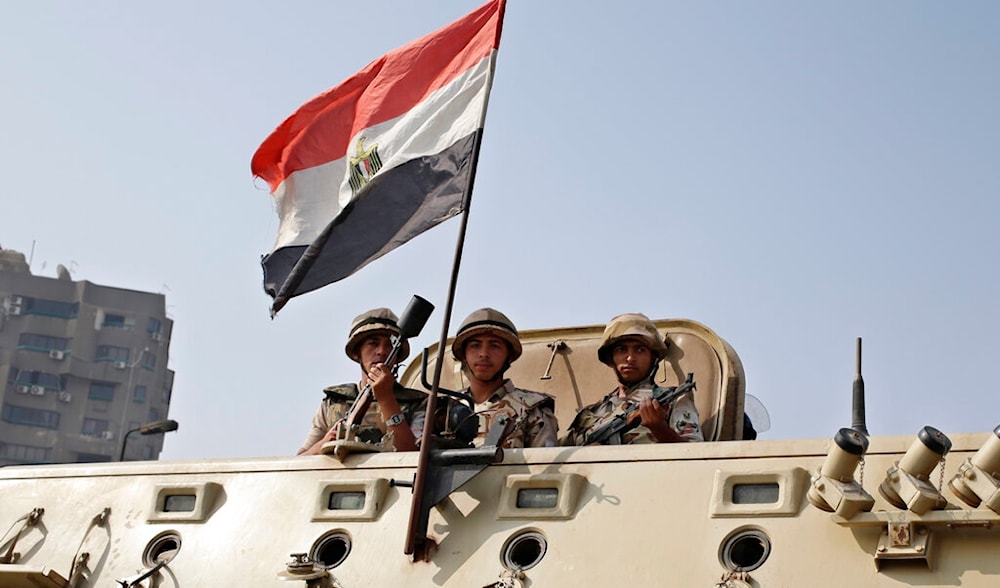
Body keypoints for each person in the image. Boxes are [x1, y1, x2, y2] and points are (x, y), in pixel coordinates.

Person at [298, 308, 426, 455]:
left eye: (390, 345)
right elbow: (298, 462)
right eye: (373, 343)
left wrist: (386, 399)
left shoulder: (417, 403)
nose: (382, 351)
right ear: (357, 353)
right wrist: (324, 443)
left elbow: (411, 455)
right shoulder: (333, 402)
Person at [564, 313, 703, 445]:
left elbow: (696, 453)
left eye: (640, 350)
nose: (630, 358)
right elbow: (552, 456)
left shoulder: (672, 400)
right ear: (610, 358)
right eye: (621, 350)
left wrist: (660, 429)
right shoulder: (588, 415)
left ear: (653, 358)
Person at [451, 308, 559, 448]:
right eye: (475, 345)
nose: (484, 354)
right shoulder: (444, 409)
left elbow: (544, 465)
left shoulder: (533, 410)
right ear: (464, 354)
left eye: (494, 346)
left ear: (509, 356)